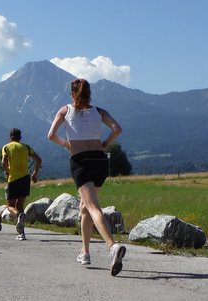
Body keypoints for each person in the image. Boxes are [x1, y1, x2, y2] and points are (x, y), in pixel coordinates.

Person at [47, 78, 126, 276]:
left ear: (72, 94)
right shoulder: (99, 112)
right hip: (100, 161)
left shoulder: (65, 110)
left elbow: (50, 135)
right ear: (89, 94)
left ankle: (112, 246)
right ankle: (85, 252)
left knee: (92, 207)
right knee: (84, 207)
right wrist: (105, 143)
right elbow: (118, 129)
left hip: (81, 161)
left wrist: (66, 144)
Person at [1, 128, 42, 241]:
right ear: (20, 137)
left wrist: (7, 170)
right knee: (20, 206)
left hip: (13, 179)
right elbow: (38, 160)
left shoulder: (6, 147)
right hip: (25, 179)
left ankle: (19, 216)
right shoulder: (26, 147)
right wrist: (35, 174)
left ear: (10, 137)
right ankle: (22, 233)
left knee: (10, 206)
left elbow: (3, 161)